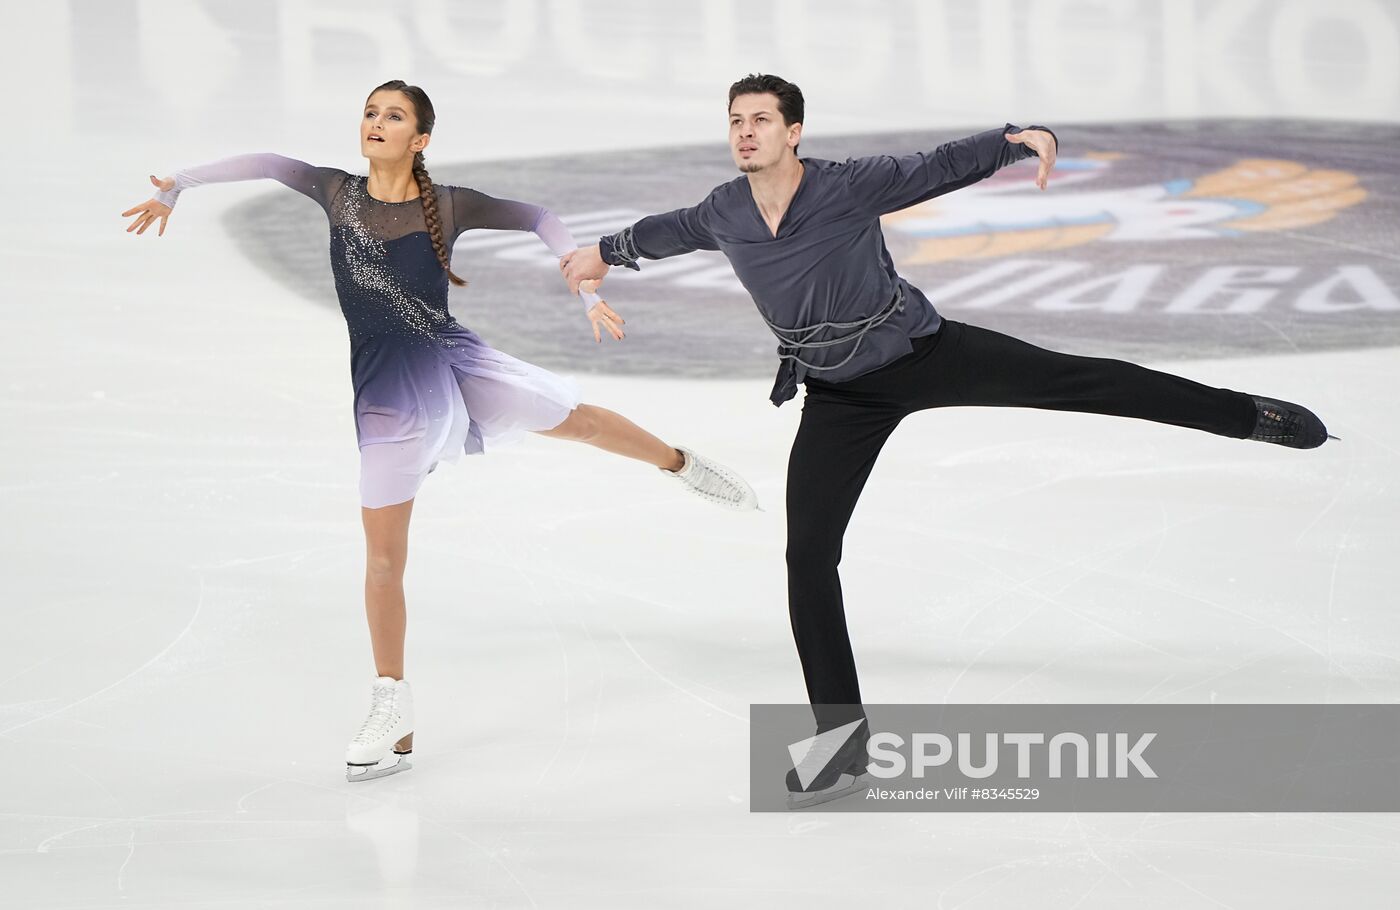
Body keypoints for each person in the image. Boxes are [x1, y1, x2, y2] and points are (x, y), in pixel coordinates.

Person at [560, 73, 1338, 808]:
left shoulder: (844, 185)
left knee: (1086, 380)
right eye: (735, 120)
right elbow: (667, 232)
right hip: (839, 398)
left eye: (761, 119)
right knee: (808, 558)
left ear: (794, 131)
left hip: (927, 354)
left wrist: (1015, 139)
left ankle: (1249, 416)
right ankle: (843, 747)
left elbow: (933, 167)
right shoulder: (726, 209)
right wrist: (603, 252)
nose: (745, 131)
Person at [121, 79, 759, 784]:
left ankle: (678, 463)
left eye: (392, 116)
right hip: (387, 396)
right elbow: (270, 162)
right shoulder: (336, 193)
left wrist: (583, 282)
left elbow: (542, 216)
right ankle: (392, 703)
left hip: (456, 363)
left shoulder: (450, 205)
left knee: (574, 422)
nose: (375, 123)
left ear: (419, 139)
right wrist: (177, 184)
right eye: (369, 111)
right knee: (385, 558)